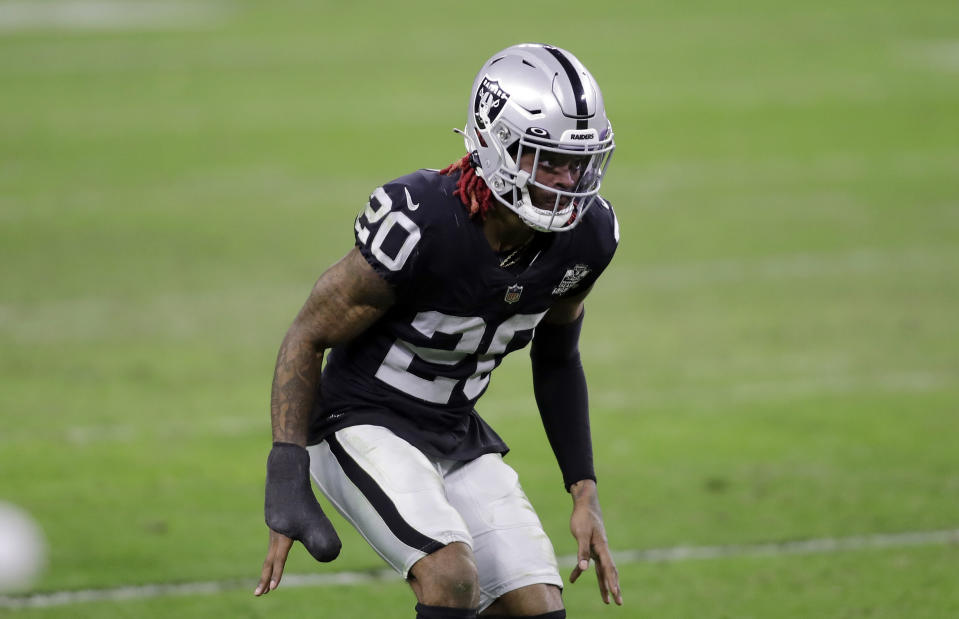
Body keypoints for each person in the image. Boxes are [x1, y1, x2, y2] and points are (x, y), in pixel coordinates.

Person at [254, 43, 623, 619]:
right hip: (359, 418)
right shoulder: (422, 220)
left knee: (538, 606)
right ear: (496, 145)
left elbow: (556, 358)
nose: (567, 180)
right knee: (449, 575)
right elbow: (307, 334)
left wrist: (584, 489)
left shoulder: (588, 238)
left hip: (454, 431)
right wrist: (286, 470)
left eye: (577, 163)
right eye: (546, 159)